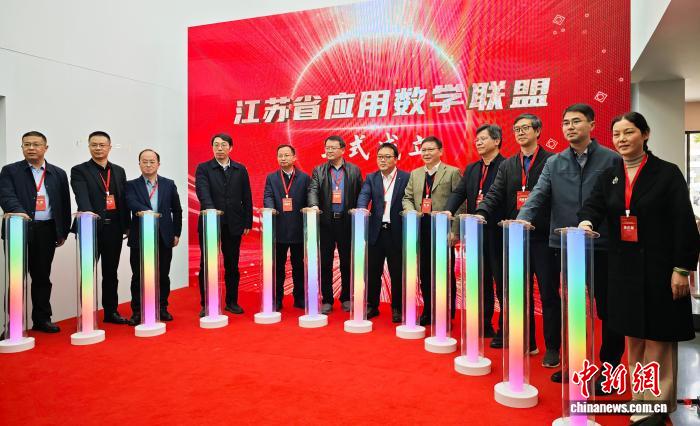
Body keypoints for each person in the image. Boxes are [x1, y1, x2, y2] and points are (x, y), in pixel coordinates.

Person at [578, 112, 700, 425]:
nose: (621, 139)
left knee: (658, 338)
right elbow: (593, 205)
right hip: (625, 270)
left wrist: (682, 268)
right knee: (634, 337)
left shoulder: (667, 173)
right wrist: (586, 221)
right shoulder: (610, 175)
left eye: (629, 132)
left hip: (661, 269)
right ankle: (640, 397)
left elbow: (684, 223)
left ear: (645, 134)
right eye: (616, 134)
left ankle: (657, 404)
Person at [517, 104, 625, 388]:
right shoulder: (555, 162)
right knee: (573, 308)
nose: (570, 127)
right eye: (566, 123)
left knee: (608, 310)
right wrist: (521, 219)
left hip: (603, 246)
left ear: (592, 125)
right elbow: (538, 194)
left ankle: (610, 371)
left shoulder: (611, 159)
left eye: (576, 121)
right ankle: (576, 365)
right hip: (566, 245)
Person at [474, 115, 557, 363]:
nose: (520, 132)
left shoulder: (552, 161)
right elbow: (494, 193)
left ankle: (553, 347)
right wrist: (481, 212)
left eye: (525, 128)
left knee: (548, 294)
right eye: (516, 129)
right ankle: (526, 341)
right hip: (516, 236)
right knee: (519, 293)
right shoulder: (509, 165)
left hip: (543, 237)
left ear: (538, 131)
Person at [0, 131, 71, 333]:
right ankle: (13, 325)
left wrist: (62, 231)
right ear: (22, 147)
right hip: (18, 229)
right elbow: (6, 196)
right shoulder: (10, 171)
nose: (31, 148)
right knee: (16, 279)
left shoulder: (58, 173)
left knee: (42, 277)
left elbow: (64, 203)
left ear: (45, 148)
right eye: (26, 144)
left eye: (36, 144)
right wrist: (20, 213)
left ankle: (42, 319)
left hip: (47, 230)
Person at [445, 123, 506, 338]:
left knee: (502, 281)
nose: (478, 142)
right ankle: (484, 323)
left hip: (498, 232)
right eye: (476, 139)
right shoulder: (472, 168)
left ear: (496, 141)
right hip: (475, 232)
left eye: (483, 138)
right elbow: (459, 193)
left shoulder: (507, 165)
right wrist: (448, 210)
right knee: (480, 280)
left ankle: (505, 329)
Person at [402, 136, 463, 326]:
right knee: (425, 273)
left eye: (430, 149)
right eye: (423, 150)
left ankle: (446, 314)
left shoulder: (452, 172)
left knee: (444, 274)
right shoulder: (415, 174)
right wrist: (411, 211)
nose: (426, 153)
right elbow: (407, 197)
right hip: (421, 228)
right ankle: (428, 310)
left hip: (443, 229)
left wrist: (455, 231)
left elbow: (461, 203)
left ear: (440, 151)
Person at [71, 131, 130, 324]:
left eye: (102, 145)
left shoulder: (119, 171)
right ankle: (87, 314)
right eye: (94, 145)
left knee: (111, 273)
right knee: (88, 273)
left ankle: (111, 312)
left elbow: (123, 200)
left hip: (114, 229)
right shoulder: (79, 170)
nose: (98, 148)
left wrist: (127, 226)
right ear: (89, 146)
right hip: (90, 228)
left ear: (109, 147)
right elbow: (82, 197)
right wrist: (89, 216)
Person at [195, 133, 253, 317]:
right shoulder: (204, 168)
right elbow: (202, 192)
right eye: (216, 145)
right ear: (212, 147)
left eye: (223, 145)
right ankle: (207, 304)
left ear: (231, 148)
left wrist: (248, 221)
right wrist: (212, 212)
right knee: (208, 264)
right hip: (210, 223)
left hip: (234, 223)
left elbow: (247, 196)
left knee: (232, 264)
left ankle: (232, 302)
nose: (219, 148)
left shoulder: (240, 169)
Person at [125, 149, 182, 325]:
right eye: (144, 161)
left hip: (164, 235)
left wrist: (176, 233)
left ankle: (162, 307)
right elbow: (130, 202)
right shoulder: (131, 185)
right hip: (140, 236)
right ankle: (137, 311)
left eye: (152, 161)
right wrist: (148, 212)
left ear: (158, 164)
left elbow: (177, 210)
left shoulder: (168, 184)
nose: (148, 165)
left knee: (163, 275)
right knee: (138, 276)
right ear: (139, 164)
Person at [307, 135, 363, 314]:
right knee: (325, 262)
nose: (329, 151)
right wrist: (314, 205)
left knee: (347, 262)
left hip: (347, 222)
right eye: (327, 148)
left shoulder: (354, 170)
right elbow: (313, 189)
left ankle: (346, 297)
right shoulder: (319, 170)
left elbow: (361, 194)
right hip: (326, 222)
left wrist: (359, 210)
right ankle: (327, 299)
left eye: (333, 148)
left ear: (343, 150)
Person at [357, 142, 410, 322]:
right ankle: (372, 305)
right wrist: (361, 209)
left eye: (387, 157)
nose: (383, 160)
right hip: (376, 232)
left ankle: (397, 308)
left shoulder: (406, 177)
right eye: (380, 157)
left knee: (397, 272)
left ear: (396, 159)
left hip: (397, 231)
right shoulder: (371, 178)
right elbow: (364, 195)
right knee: (373, 271)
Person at [262, 144, 310, 311]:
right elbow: (268, 195)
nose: (283, 158)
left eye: (286, 155)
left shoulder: (304, 178)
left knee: (299, 267)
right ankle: (276, 299)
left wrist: (311, 208)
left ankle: (300, 298)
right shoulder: (272, 178)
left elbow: (309, 198)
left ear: (294, 157)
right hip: (278, 229)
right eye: (280, 155)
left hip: (298, 229)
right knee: (277, 267)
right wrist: (269, 208)